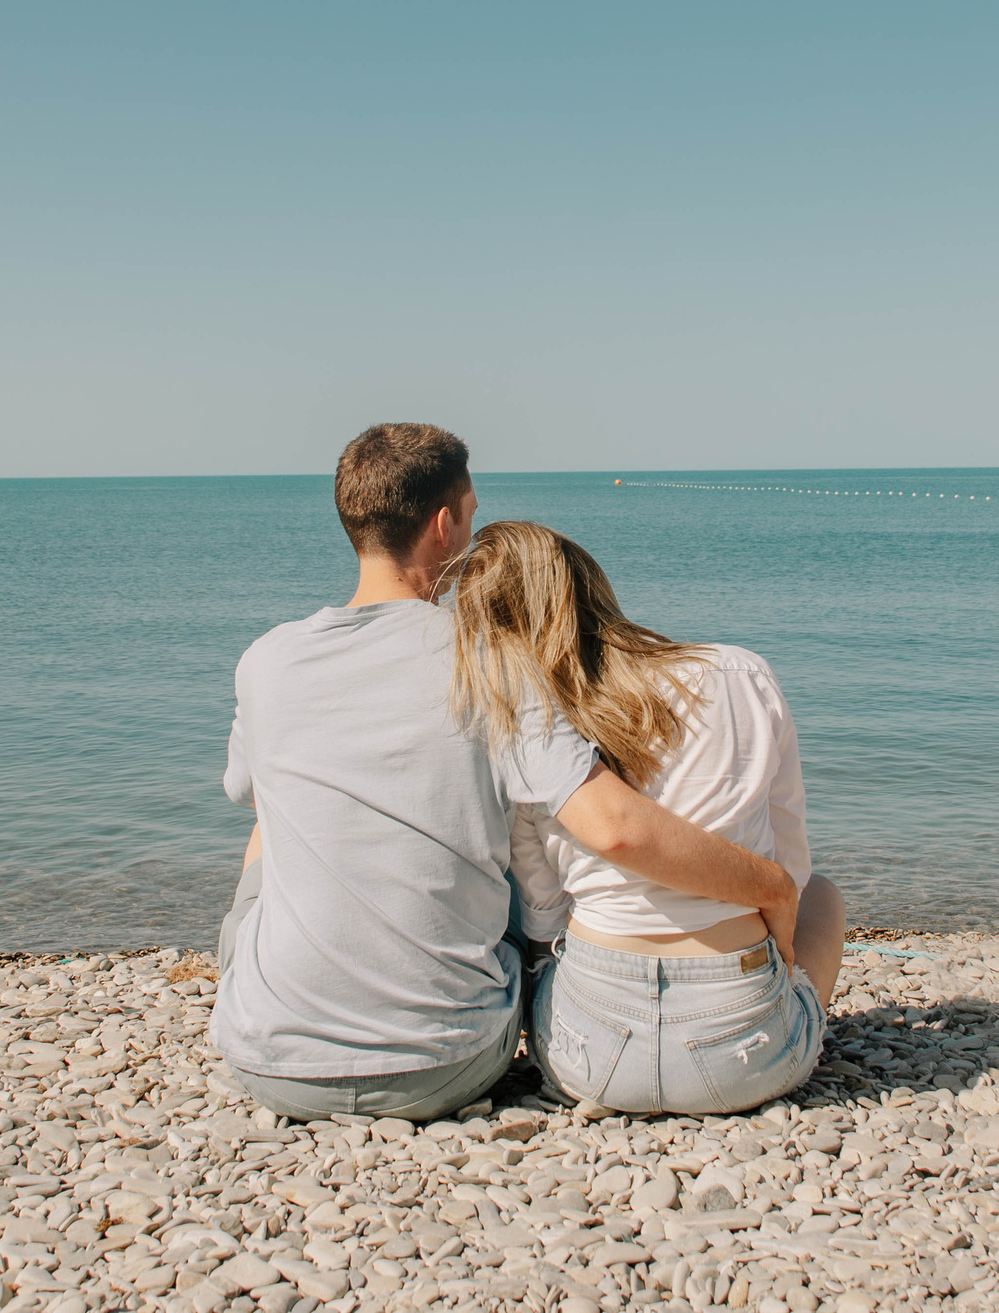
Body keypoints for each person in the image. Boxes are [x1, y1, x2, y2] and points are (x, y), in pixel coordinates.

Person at [212, 424, 801, 1121]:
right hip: (453, 1062)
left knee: (267, 829)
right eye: (472, 510)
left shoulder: (267, 661)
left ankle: (296, 998)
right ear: (445, 524)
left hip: (274, 1064)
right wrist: (771, 885)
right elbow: (608, 825)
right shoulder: (493, 663)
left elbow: (253, 801)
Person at [453, 520, 847, 1114]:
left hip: (594, 1056)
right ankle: (788, 1008)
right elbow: (788, 858)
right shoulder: (740, 674)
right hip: (744, 1052)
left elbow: (543, 912)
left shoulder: (528, 724)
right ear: (592, 588)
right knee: (822, 894)